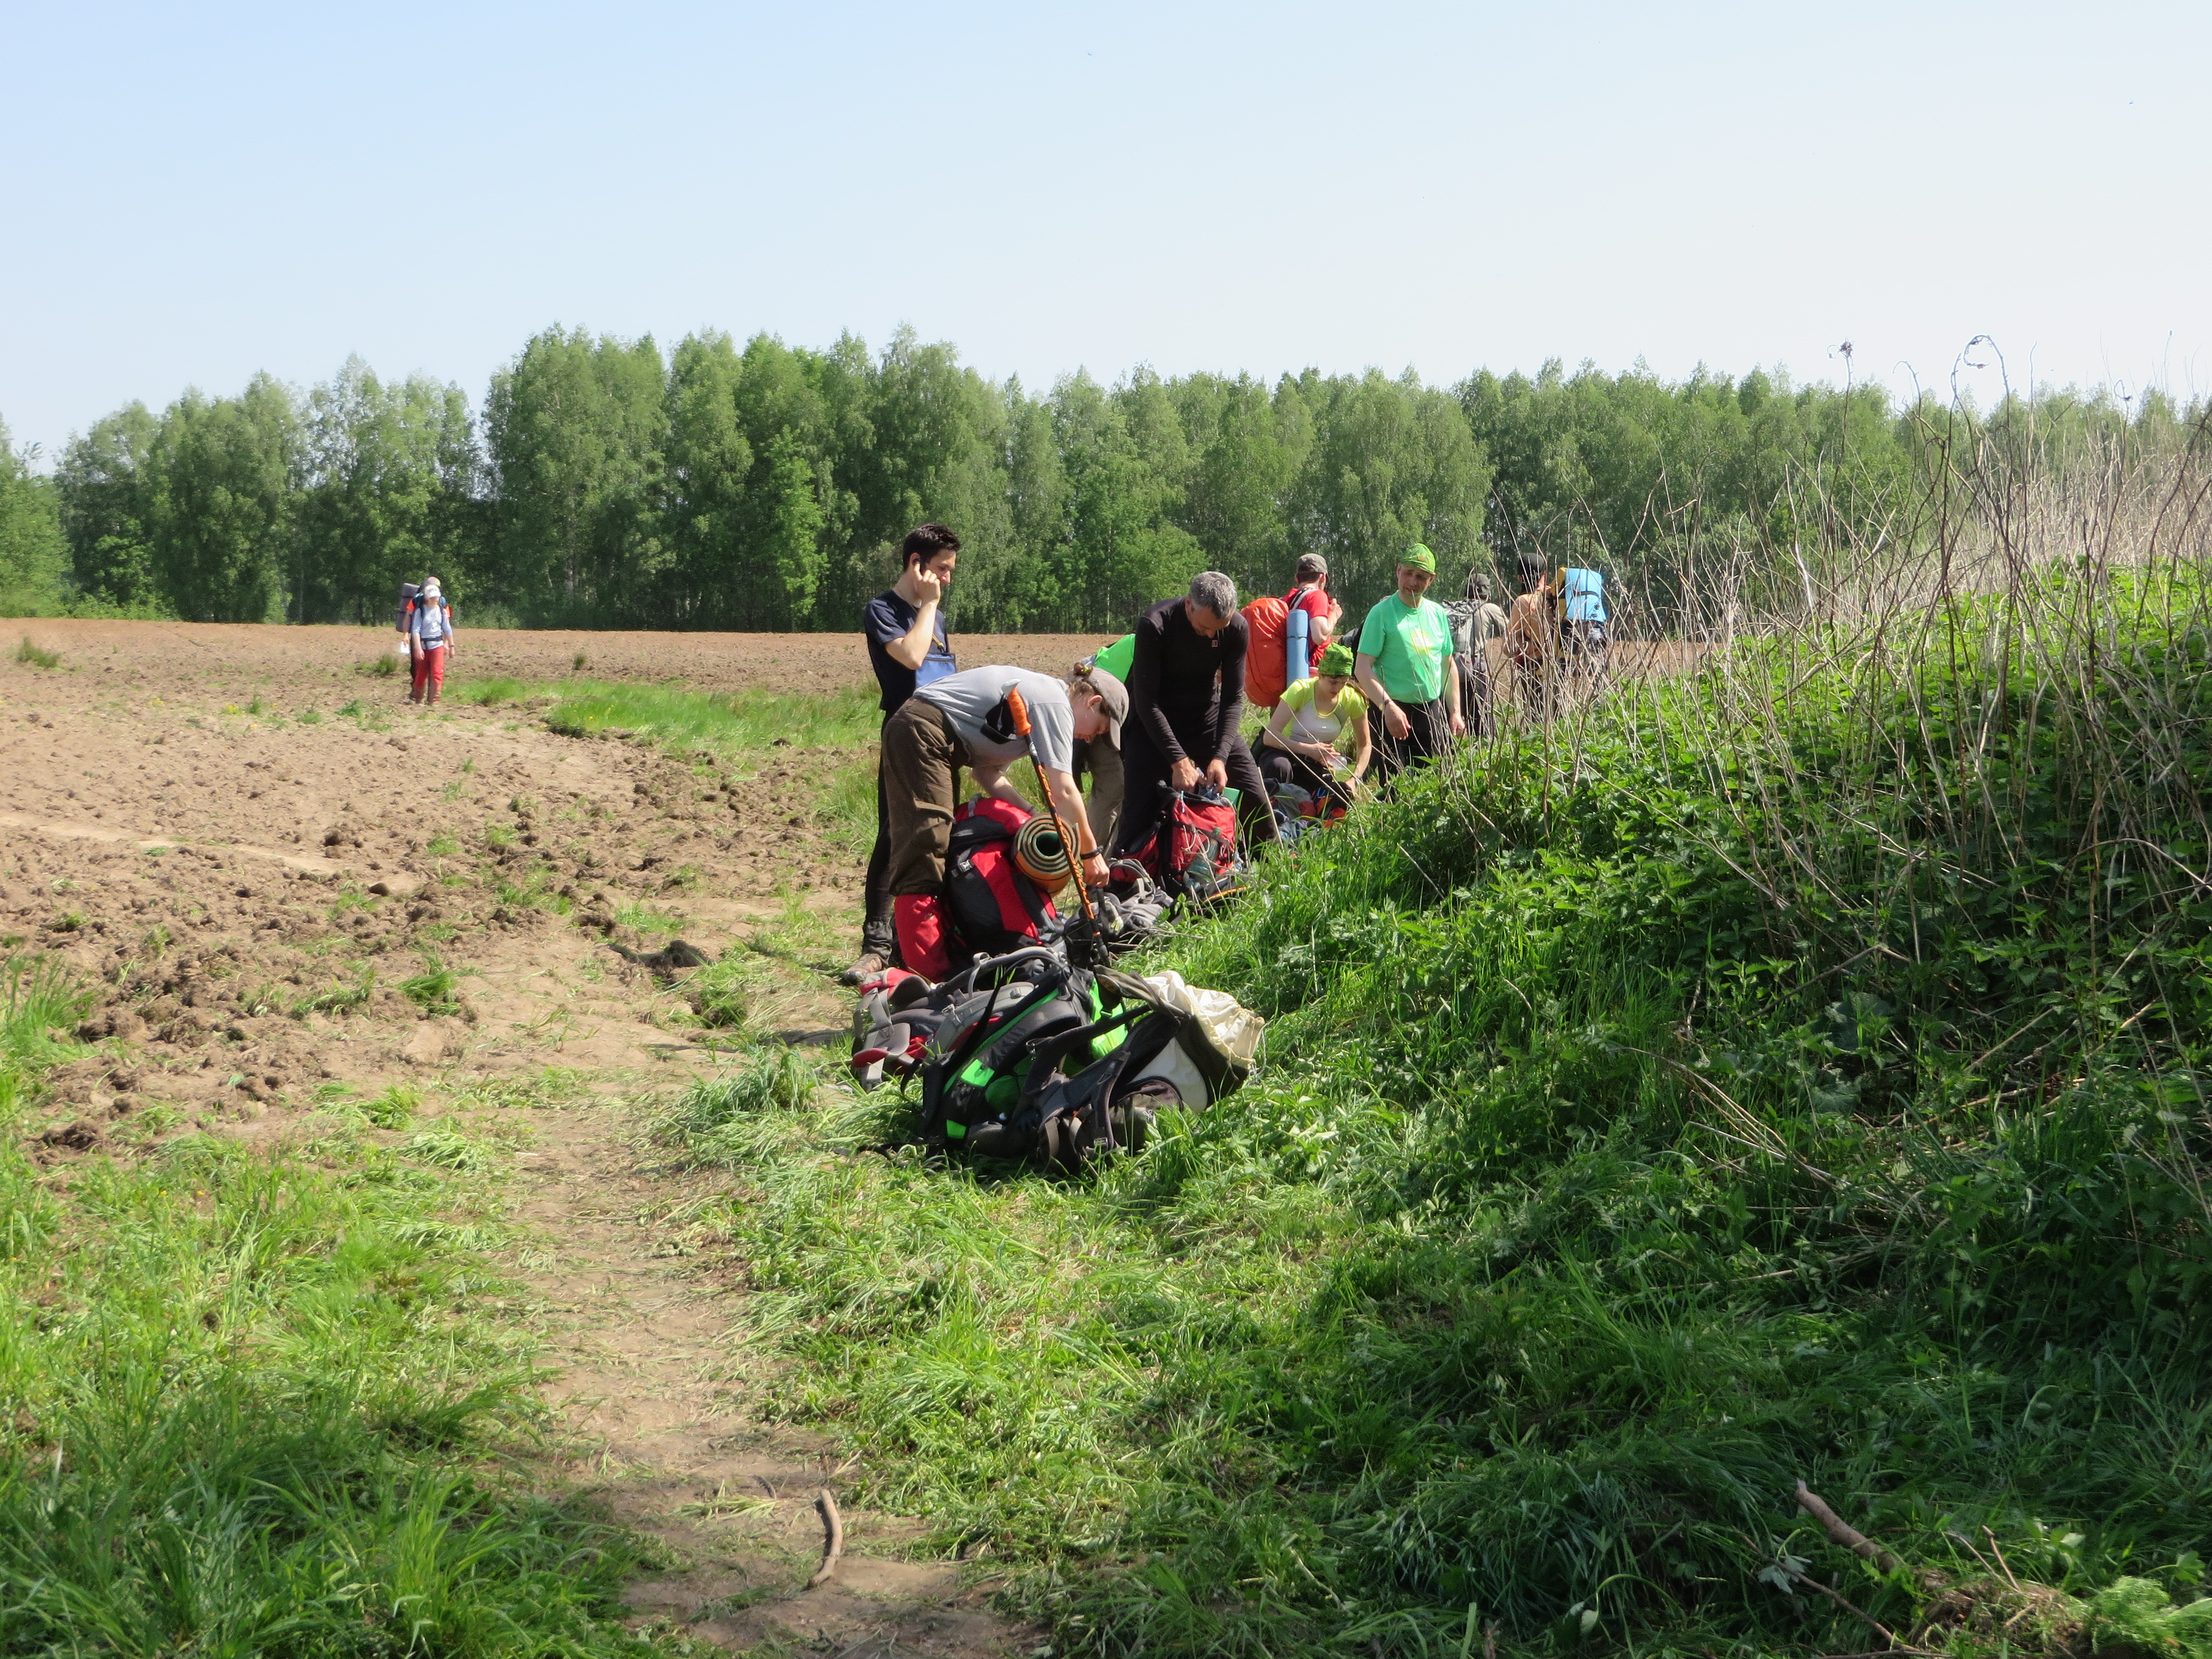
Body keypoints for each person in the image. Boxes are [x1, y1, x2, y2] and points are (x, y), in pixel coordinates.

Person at [881, 663, 1128, 980]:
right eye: (1100, 729)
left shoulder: (1036, 705)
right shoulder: (1054, 701)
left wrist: (1031, 817)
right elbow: (1063, 789)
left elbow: (986, 773)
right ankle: (927, 974)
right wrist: (1090, 854)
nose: (1091, 739)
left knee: (940, 844)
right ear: (1093, 703)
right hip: (922, 730)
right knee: (926, 848)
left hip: (936, 738)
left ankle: (926, 950)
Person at [847, 523, 962, 984]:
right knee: (895, 836)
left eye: (950, 571)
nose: (947, 579)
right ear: (916, 564)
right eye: (941, 569)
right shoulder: (883, 610)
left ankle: (917, 943)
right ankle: (876, 946)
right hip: (903, 735)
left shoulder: (938, 618)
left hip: (942, 738)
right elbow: (912, 658)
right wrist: (929, 607)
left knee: (940, 835)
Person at [1114, 571, 1277, 860]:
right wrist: (1178, 760)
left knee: (1255, 796)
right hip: (1153, 724)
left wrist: (1220, 758)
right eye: (1204, 628)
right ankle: (1124, 876)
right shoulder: (1155, 624)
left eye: (1219, 629)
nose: (1212, 635)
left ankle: (1261, 869)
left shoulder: (1237, 627)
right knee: (1138, 814)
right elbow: (1147, 702)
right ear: (1189, 604)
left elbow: (1232, 699)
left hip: (1204, 718)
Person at [1352, 545, 1462, 775]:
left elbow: (1448, 665)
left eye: (1421, 577)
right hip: (1390, 711)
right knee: (1395, 784)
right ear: (1398, 571)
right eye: (1408, 573)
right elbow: (1362, 668)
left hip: (1430, 711)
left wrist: (1455, 712)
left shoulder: (1437, 614)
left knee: (1432, 781)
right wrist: (1388, 707)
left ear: (1431, 580)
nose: (1413, 581)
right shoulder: (1381, 613)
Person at [1259, 641, 1371, 804]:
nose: (1337, 688)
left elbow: (1365, 745)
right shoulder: (1300, 690)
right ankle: (1272, 812)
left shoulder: (1353, 699)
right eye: (1333, 682)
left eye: (1344, 682)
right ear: (1321, 675)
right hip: (1282, 753)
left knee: (1337, 795)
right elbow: (1269, 737)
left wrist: (1355, 780)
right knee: (1280, 767)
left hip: (1316, 762)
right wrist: (1309, 749)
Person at [1283, 553, 1338, 686]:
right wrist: (1334, 615)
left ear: (1297, 578)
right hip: (1310, 678)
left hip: (1289, 675)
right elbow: (1320, 636)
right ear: (1323, 577)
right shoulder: (1317, 596)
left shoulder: (1287, 600)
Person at [406, 578, 455, 706]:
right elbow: (415, 630)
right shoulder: (420, 611)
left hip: (437, 645)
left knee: (438, 673)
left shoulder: (442, 611)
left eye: (437, 597)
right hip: (423, 646)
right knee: (421, 675)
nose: (436, 599)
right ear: (427, 598)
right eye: (433, 597)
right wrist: (418, 648)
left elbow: (447, 628)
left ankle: (435, 700)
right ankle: (419, 698)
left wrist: (451, 645)